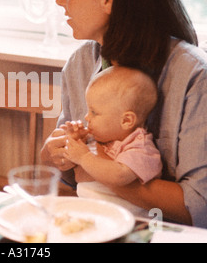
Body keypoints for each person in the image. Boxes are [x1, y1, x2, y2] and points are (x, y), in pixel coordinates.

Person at [40, 0, 207, 229]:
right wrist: (57, 153)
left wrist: (97, 168)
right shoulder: (80, 64)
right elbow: (69, 174)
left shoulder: (196, 76)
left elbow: (201, 208)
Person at [62, 66, 162, 216]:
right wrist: (75, 139)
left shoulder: (140, 147)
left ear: (126, 120)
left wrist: (83, 157)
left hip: (129, 220)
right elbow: (79, 174)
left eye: (94, 112)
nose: (87, 117)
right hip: (91, 210)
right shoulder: (104, 138)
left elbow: (119, 176)